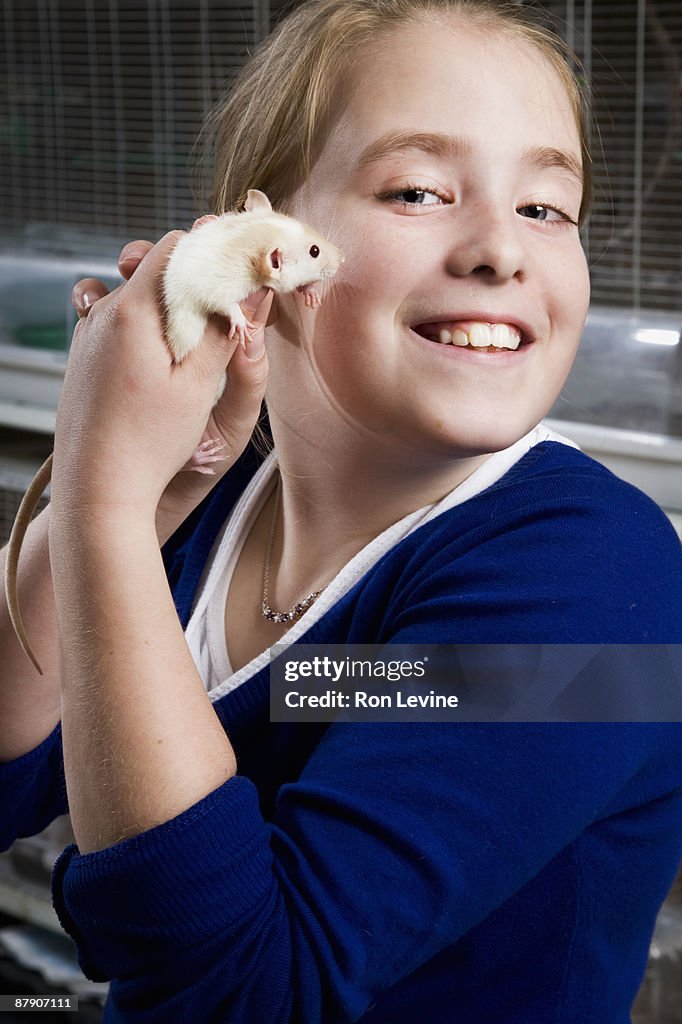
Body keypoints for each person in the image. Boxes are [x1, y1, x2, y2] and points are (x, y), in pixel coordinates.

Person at [1, 0, 681, 1020]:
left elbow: (243, 994)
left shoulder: (596, 579)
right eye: (416, 190)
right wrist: (143, 500)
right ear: (259, 236)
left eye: (546, 208)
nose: (503, 248)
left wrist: (100, 499)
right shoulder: (216, 494)